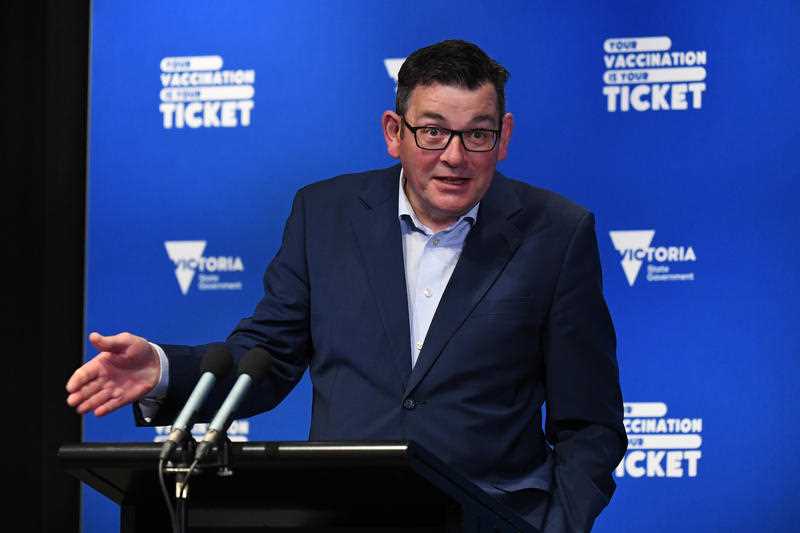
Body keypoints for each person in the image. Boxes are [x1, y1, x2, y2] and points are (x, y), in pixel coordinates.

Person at [67, 40, 625, 532]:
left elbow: (590, 423)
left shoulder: (556, 233)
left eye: (476, 134)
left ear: (503, 138)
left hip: (492, 520)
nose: (455, 156)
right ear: (394, 132)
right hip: (341, 514)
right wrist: (163, 370)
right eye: (433, 132)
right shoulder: (325, 215)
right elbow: (267, 358)